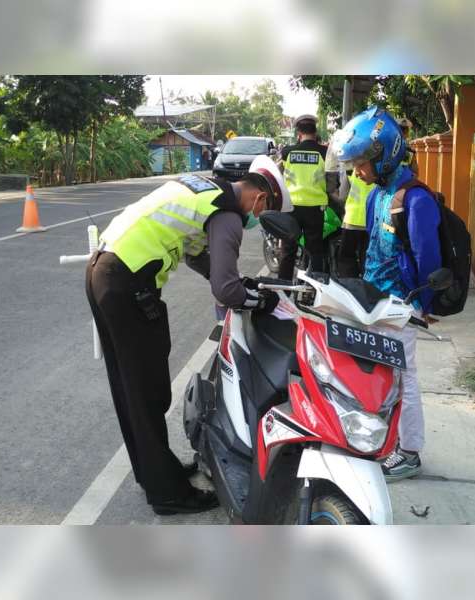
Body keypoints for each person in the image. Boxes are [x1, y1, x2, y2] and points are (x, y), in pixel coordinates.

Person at [85, 156, 290, 515]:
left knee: (131, 388)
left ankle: (154, 473)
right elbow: (225, 291)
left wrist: (239, 282)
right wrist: (259, 299)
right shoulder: (228, 214)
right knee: (147, 391)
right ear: (260, 199)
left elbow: (198, 257)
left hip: (103, 270)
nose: (259, 220)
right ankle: (168, 495)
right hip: (126, 282)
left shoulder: (204, 189)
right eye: (265, 211)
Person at [334, 107, 442, 481]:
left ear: (385, 155)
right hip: (375, 302)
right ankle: (383, 440)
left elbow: (429, 259)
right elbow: (372, 248)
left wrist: (425, 305)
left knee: (404, 379)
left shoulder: (416, 200)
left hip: (402, 307)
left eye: (361, 164)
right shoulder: (376, 195)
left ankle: (409, 452)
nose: (357, 172)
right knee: (379, 378)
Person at [278, 114, 329, 280]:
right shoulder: (324, 152)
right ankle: (314, 286)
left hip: (291, 206)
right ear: (315, 132)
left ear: (298, 133)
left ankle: (284, 287)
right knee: (315, 249)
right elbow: (331, 181)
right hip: (315, 207)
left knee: (288, 248)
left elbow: (279, 175)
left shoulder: (287, 152)